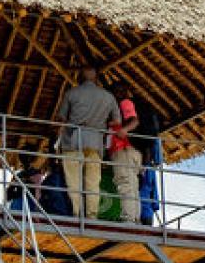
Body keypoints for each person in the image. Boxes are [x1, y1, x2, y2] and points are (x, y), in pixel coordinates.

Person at [53, 65, 119, 219]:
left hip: (73, 139)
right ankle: (91, 215)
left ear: (80, 77)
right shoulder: (108, 97)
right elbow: (116, 121)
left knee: (73, 180)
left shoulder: (72, 93)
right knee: (93, 181)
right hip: (95, 141)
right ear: (96, 78)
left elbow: (61, 119)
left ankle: (77, 213)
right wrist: (100, 125)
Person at [107, 88, 142, 223]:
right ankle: (135, 218)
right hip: (129, 151)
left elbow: (134, 121)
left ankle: (128, 219)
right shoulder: (122, 107)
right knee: (132, 185)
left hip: (122, 149)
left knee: (125, 183)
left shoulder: (124, 103)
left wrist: (124, 130)